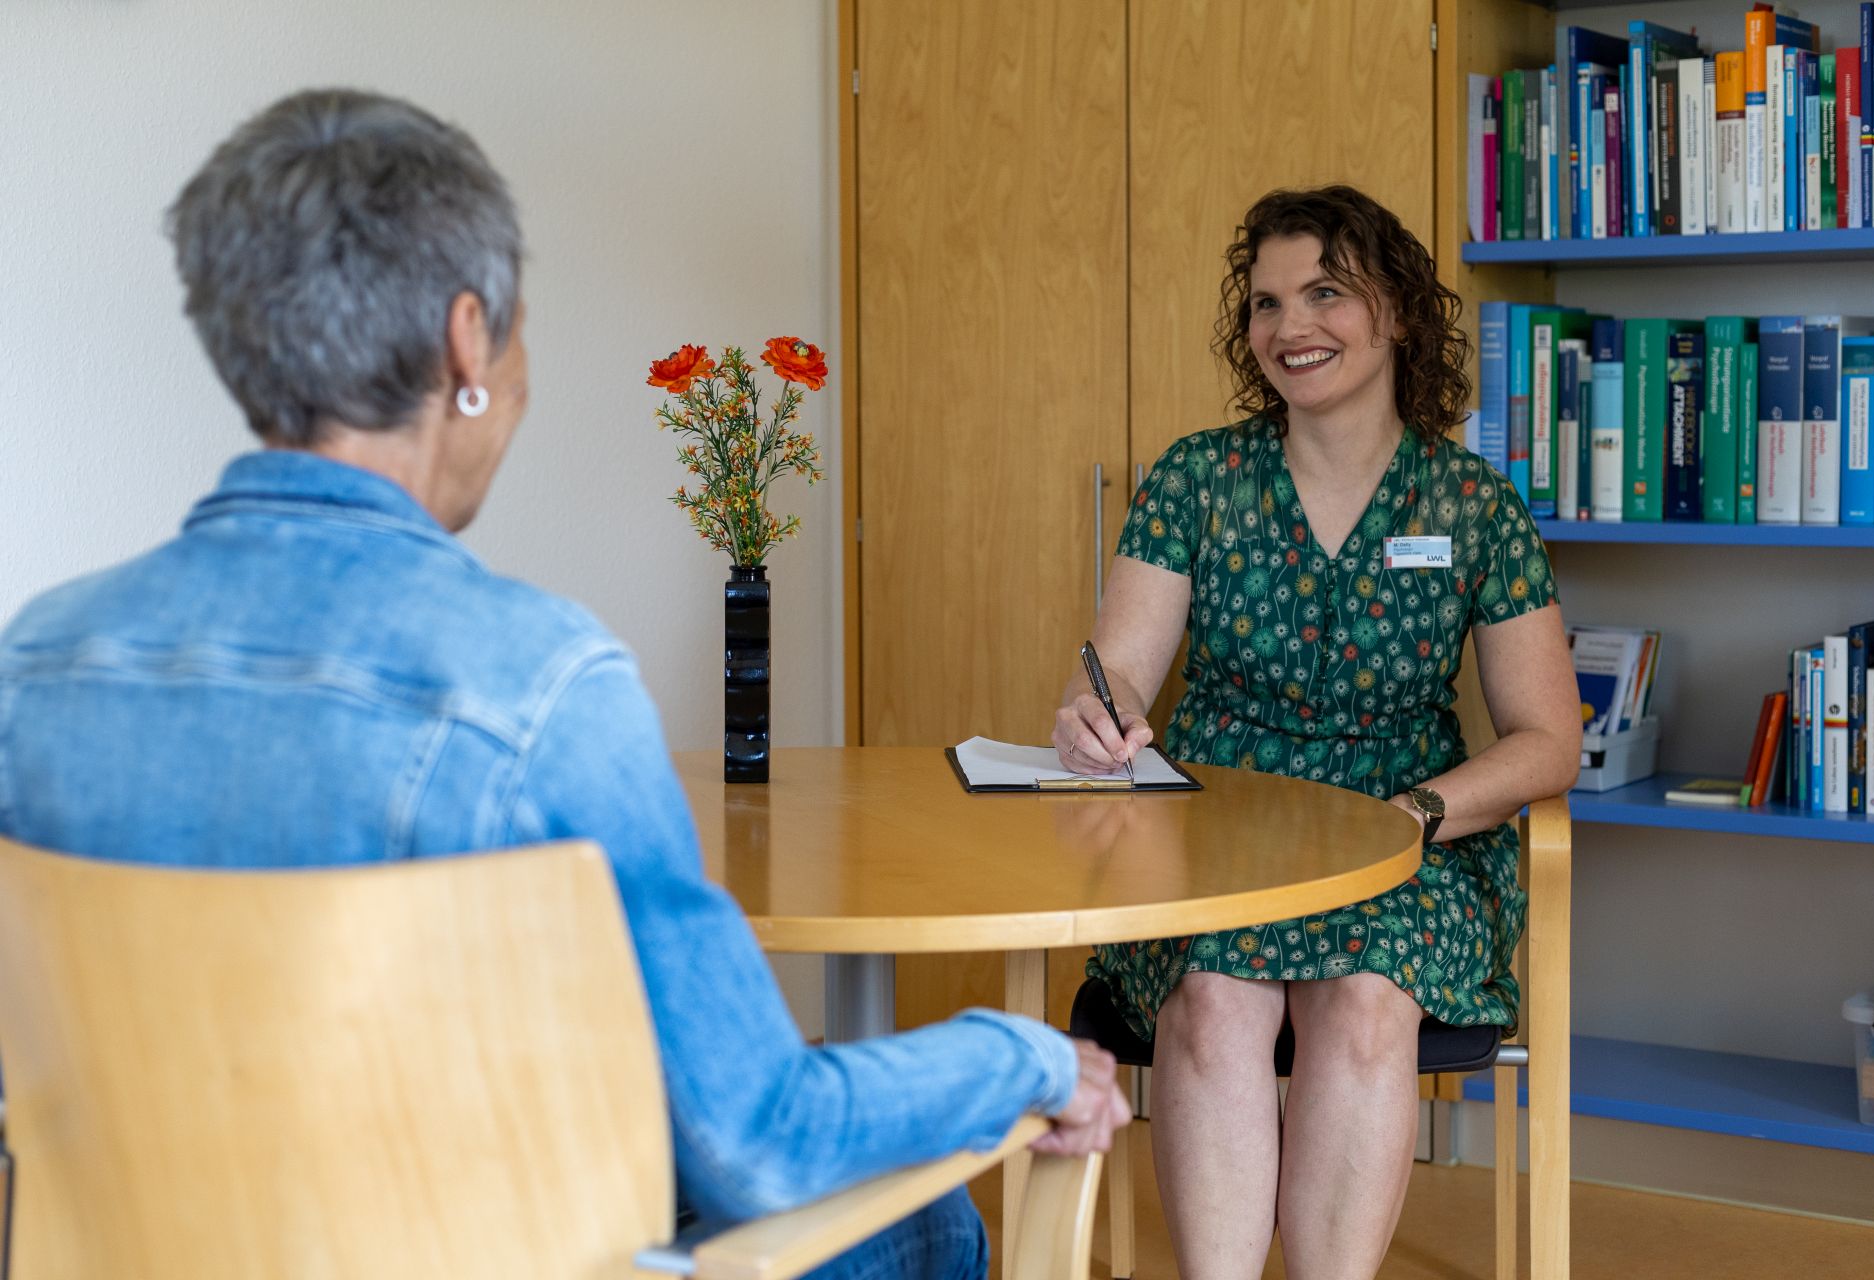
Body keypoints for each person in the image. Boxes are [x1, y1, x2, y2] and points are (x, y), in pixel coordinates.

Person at [0, 89, 1127, 1280]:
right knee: (927, 1220)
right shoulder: (538, 683)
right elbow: (761, 1137)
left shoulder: (36, 661)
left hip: (158, 1250)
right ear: (466, 342)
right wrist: (1028, 1057)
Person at [1053, 185, 1580, 1280]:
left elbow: (1548, 738)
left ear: (1393, 309)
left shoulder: (1473, 503)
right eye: (1267, 303)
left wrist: (1418, 814)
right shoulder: (1197, 479)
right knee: (1213, 995)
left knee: (1367, 995)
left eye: (1325, 292)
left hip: (1408, 833)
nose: (1291, 326)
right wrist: (1092, 718)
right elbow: (1117, 671)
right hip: (1219, 825)